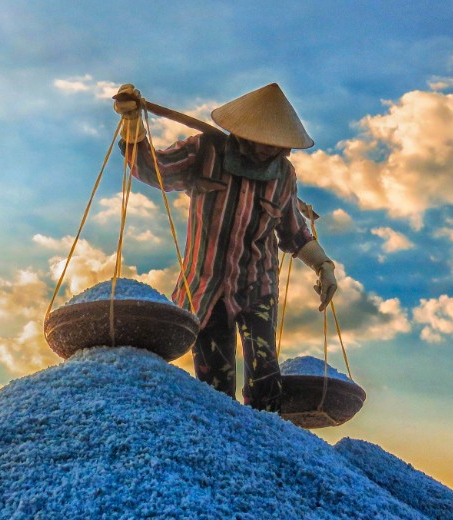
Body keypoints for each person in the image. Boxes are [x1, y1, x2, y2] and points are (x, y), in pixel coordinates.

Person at [114, 82, 337, 413]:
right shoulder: (205, 151)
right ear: (245, 135)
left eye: (280, 146)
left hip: (257, 287)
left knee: (266, 379)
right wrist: (133, 125)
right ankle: (220, 444)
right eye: (267, 144)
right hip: (206, 290)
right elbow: (153, 169)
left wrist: (324, 266)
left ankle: (265, 444)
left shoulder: (283, 176)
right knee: (214, 385)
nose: (275, 152)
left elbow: (294, 232)